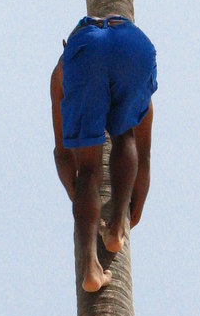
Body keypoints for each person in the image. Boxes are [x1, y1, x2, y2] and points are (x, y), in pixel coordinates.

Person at [50, 15, 157, 292]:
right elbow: (143, 158)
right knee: (125, 136)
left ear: (65, 47)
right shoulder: (143, 92)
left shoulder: (63, 69)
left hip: (86, 52)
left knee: (88, 167)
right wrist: (133, 211)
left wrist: (80, 200)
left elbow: (63, 155)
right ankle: (116, 231)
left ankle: (91, 268)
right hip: (134, 46)